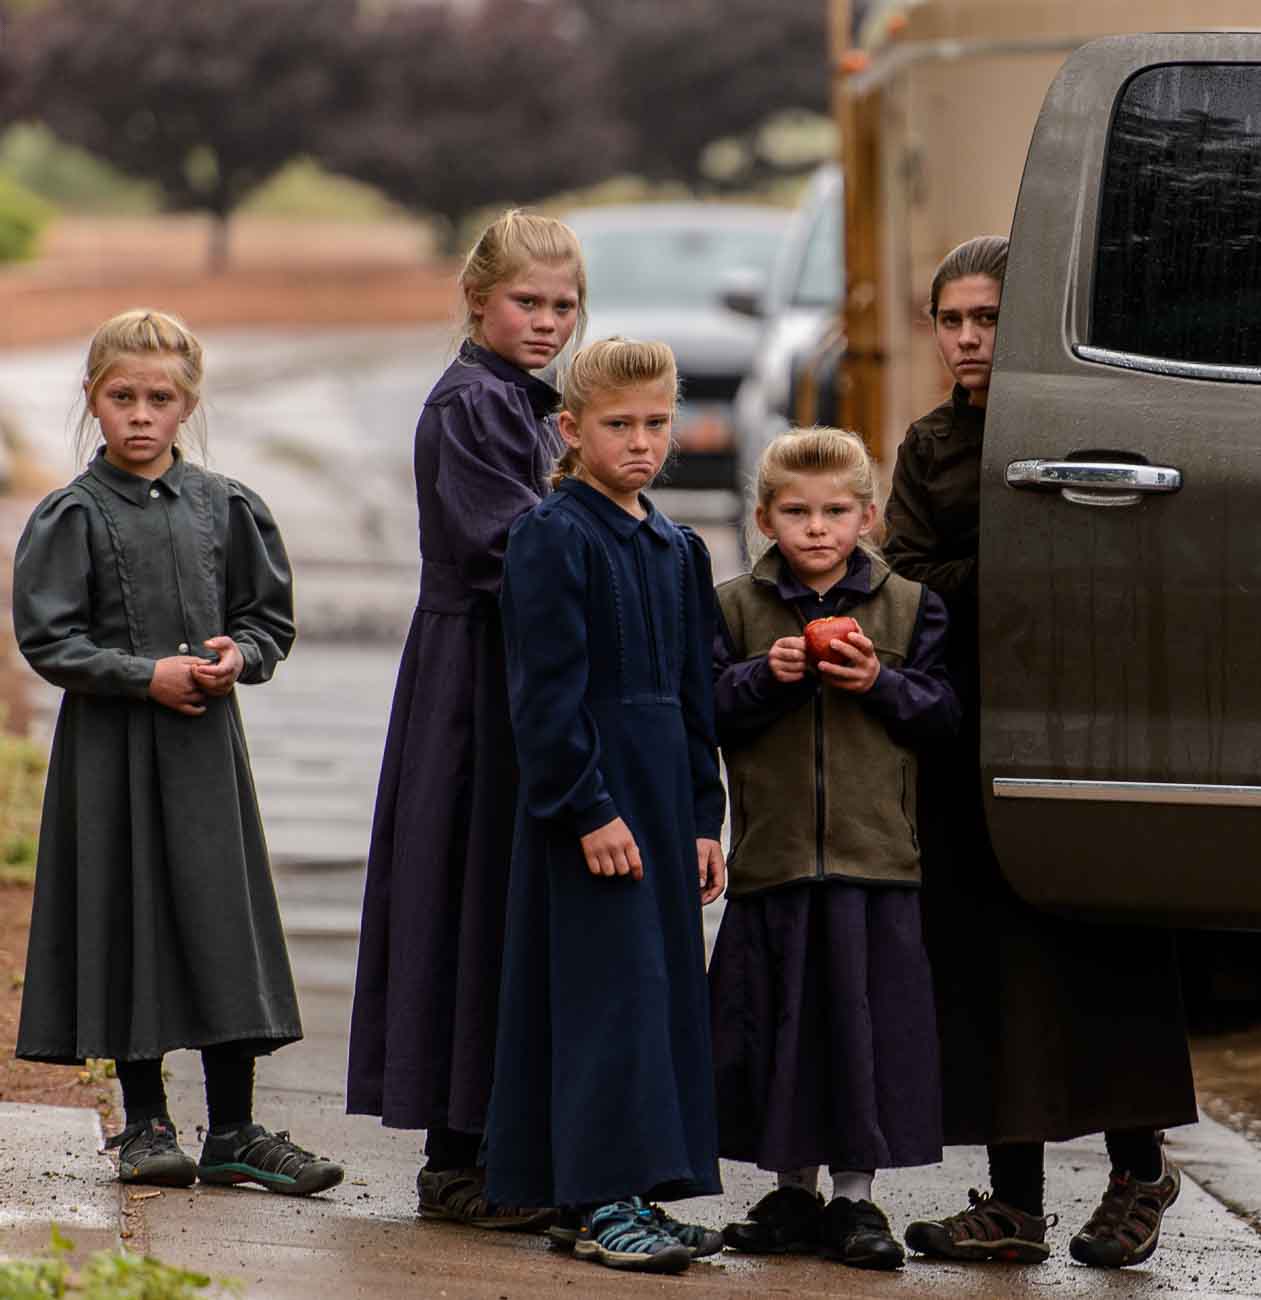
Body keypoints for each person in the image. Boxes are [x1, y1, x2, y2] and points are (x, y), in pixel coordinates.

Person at [887, 237, 1200, 1268]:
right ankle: (1013, 1204)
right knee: (985, 963)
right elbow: (909, 579)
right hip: (969, 729)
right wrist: (1024, 570)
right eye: (952, 320)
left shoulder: (1088, 429)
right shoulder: (930, 446)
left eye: (988, 318)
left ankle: (1140, 1168)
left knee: (1103, 947)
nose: (969, 339)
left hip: (1088, 725)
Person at [13, 309, 342, 1197]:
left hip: (204, 752)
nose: (141, 415)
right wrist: (138, 674)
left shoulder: (226, 507)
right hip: (110, 753)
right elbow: (48, 639)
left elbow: (266, 619)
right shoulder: (68, 516)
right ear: (93, 400)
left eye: (161, 398)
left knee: (217, 917)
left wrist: (243, 653)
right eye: (122, 398)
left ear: (188, 404)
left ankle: (235, 1128)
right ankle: (145, 1120)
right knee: (129, 915)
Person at [346, 210, 584, 1229]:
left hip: (514, 666)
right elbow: (509, 548)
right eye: (527, 302)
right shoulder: (471, 405)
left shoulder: (531, 405)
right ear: (478, 300)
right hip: (472, 674)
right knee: (465, 892)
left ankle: (494, 1140)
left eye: (564, 306)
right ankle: (458, 1158)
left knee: (500, 897)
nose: (546, 322)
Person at [482, 338, 726, 1274]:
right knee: (603, 997)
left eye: (656, 423)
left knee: (656, 992)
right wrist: (585, 808)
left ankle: (635, 1191)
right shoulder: (554, 535)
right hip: (592, 805)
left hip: (664, 805)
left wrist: (705, 820)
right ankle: (595, 1201)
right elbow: (541, 697)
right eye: (618, 425)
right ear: (570, 430)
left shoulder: (676, 547)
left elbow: (697, 698)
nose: (640, 442)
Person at [710, 427, 960, 1271]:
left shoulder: (910, 607)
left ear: (869, 517)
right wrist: (760, 676)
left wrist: (878, 682)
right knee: (781, 1031)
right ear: (764, 519)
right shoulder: (736, 607)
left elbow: (940, 713)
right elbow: (707, 708)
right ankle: (792, 1190)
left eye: (835, 512)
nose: (816, 528)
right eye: (795, 512)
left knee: (861, 1034)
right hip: (773, 860)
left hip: (873, 861)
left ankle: (854, 1200)